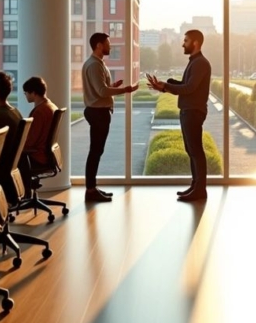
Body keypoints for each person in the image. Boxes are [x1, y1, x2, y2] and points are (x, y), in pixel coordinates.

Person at [146, 29, 212, 202]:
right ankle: (195, 186)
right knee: (191, 151)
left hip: (193, 112)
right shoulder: (195, 62)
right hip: (188, 111)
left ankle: (200, 190)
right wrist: (164, 85)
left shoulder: (200, 63)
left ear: (195, 43)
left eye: (186, 40)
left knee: (196, 151)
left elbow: (189, 88)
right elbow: (185, 84)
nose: (183, 43)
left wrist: (165, 87)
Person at [82, 32, 139, 203]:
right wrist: (125, 90)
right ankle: (91, 191)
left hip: (99, 112)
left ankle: (92, 188)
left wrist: (112, 86)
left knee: (96, 151)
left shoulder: (97, 64)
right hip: (98, 113)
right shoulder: (94, 65)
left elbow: (102, 88)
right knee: (95, 152)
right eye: (107, 43)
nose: (110, 46)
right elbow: (101, 92)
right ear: (99, 45)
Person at [21, 76, 58, 166]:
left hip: (37, 156)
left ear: (33, 93)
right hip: (46, 154)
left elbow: (30, 142)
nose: (25, 95)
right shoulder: (51, 106)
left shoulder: (39, 112)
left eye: (25, 92)